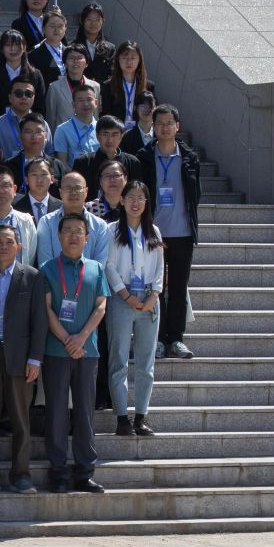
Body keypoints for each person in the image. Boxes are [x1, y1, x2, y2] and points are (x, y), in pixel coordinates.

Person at [0, 223, 48, 494]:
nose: (3, 247)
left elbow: (40, 321)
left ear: (19, 246)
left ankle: (21, 475)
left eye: (9, 242)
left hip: (20, 357)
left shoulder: (32, 276)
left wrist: (35, 359)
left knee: (20, 419)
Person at [42, 212, 109, 493]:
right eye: (67, 230)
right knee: (57, 412)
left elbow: (101, 306)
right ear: (59, 236)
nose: (73, 235)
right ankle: (58, 471)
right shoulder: (47, 268)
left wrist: (81, 338)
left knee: (84, 412)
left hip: (87, 352)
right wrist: (67, 339)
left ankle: (84, 471)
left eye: (78, 231)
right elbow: (46, 309)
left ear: (87, 237)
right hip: (56, 352)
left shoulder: (96, 268)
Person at [135, 104, 200, 360]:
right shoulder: (144, 157)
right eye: (159, 123)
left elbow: (195, 194)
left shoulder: (189, 157)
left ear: (177, 126)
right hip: (154, 234)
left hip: (182, 232)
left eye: (169, 123)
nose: (164, 128)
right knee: (156, 289)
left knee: (179, 288)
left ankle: (176, 339)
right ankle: (158, 339)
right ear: (153, 126)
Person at [106, 180, 165, 437]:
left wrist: (155, 294)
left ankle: (141, 416)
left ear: (147, 202)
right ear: (122, 200)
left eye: (141, 197)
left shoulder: (154, 231)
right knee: (118, 359)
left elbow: (160, 267)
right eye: (131, 197)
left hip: (149, 299)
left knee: (145, 362)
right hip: (121, 298)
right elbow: (108, 266)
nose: (135, 202)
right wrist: (126, 295)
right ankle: (122, 418)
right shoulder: (111, 230)